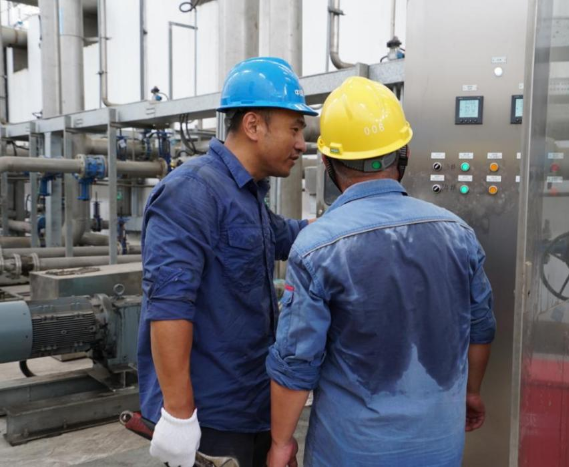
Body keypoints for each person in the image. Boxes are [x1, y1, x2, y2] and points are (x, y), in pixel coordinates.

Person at [265, 76, 496, 467]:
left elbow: (297, 362)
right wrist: (471, 392)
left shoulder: (316, 247)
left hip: (352, 451)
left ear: (327, 162)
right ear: (403, 153)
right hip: (440, 448)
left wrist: (281, 443)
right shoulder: (459, 234)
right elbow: (481, 327)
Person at [137, 57, 318, 467]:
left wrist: (352, 217)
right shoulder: (191, 192)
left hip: (252, 402)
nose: (301, 143)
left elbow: (285, 235)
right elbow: (169, 307)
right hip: (210, 416)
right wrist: (179, 415)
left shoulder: (246, 194)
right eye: (294, 129)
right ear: (253, 125)